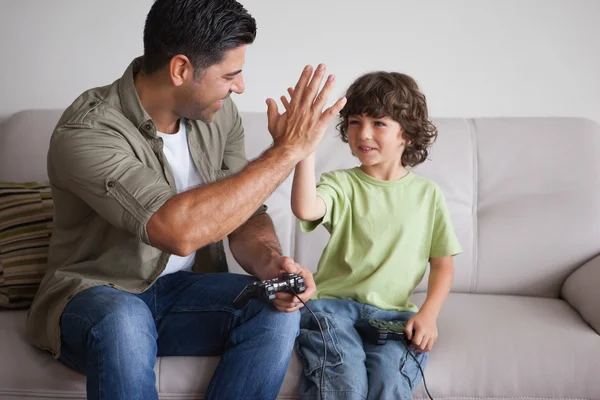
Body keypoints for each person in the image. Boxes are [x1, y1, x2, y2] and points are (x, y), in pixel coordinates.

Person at [25, 0, 346, 399]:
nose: (240, 87)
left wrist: (271, 264)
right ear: (180, 69)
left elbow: (244, 214)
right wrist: (287, 151)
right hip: (95, 295)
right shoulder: (88, 130)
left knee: (277, 308)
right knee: (123, 320)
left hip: (184, 292)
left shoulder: (219, 115)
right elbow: (176, 231)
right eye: (231, 74)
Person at [290, 71, 462, 399]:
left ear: (407, 134)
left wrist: (429, 314)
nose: (363, 133)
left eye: (378, 123)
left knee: (390, 381)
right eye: (355, 121)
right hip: (331, 309)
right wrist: (305, 150)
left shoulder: (428, 195)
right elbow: (306, 208)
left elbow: (443, 264)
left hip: (395, 318)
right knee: (344, 383)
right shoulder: (341, 182)